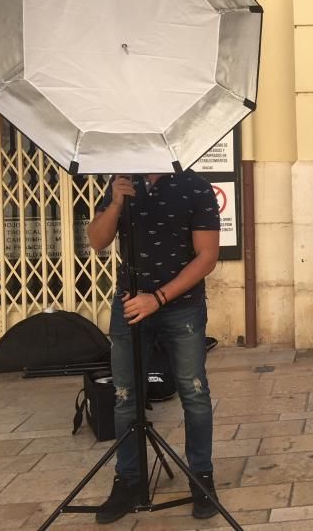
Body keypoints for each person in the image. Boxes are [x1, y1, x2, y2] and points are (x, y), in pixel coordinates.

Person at [88, 170, 221, 524]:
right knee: (124, 395)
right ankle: (128, 480)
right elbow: (97, 240)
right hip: (130, 306)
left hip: (182, 307)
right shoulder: (122, 183)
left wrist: (158, 299)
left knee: (194, 393)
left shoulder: (195, 187)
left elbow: (206, 256)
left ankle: (201, 478)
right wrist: (115, 203)